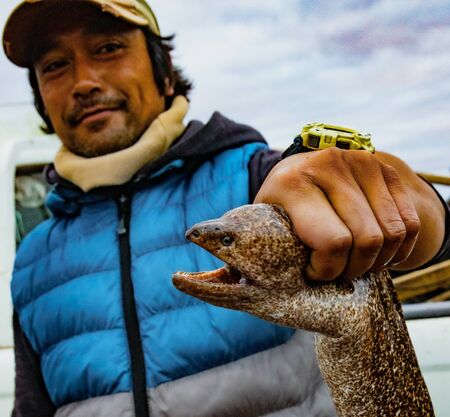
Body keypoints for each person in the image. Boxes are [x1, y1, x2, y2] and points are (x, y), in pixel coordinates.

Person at [2, 1, 449, 416]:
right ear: (41, 95)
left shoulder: (258, 180)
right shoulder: (32, 262)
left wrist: (405, 200)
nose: (83, 82)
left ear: (165, 70)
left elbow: (427, 225)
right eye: (55, 65)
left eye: (108, 47)